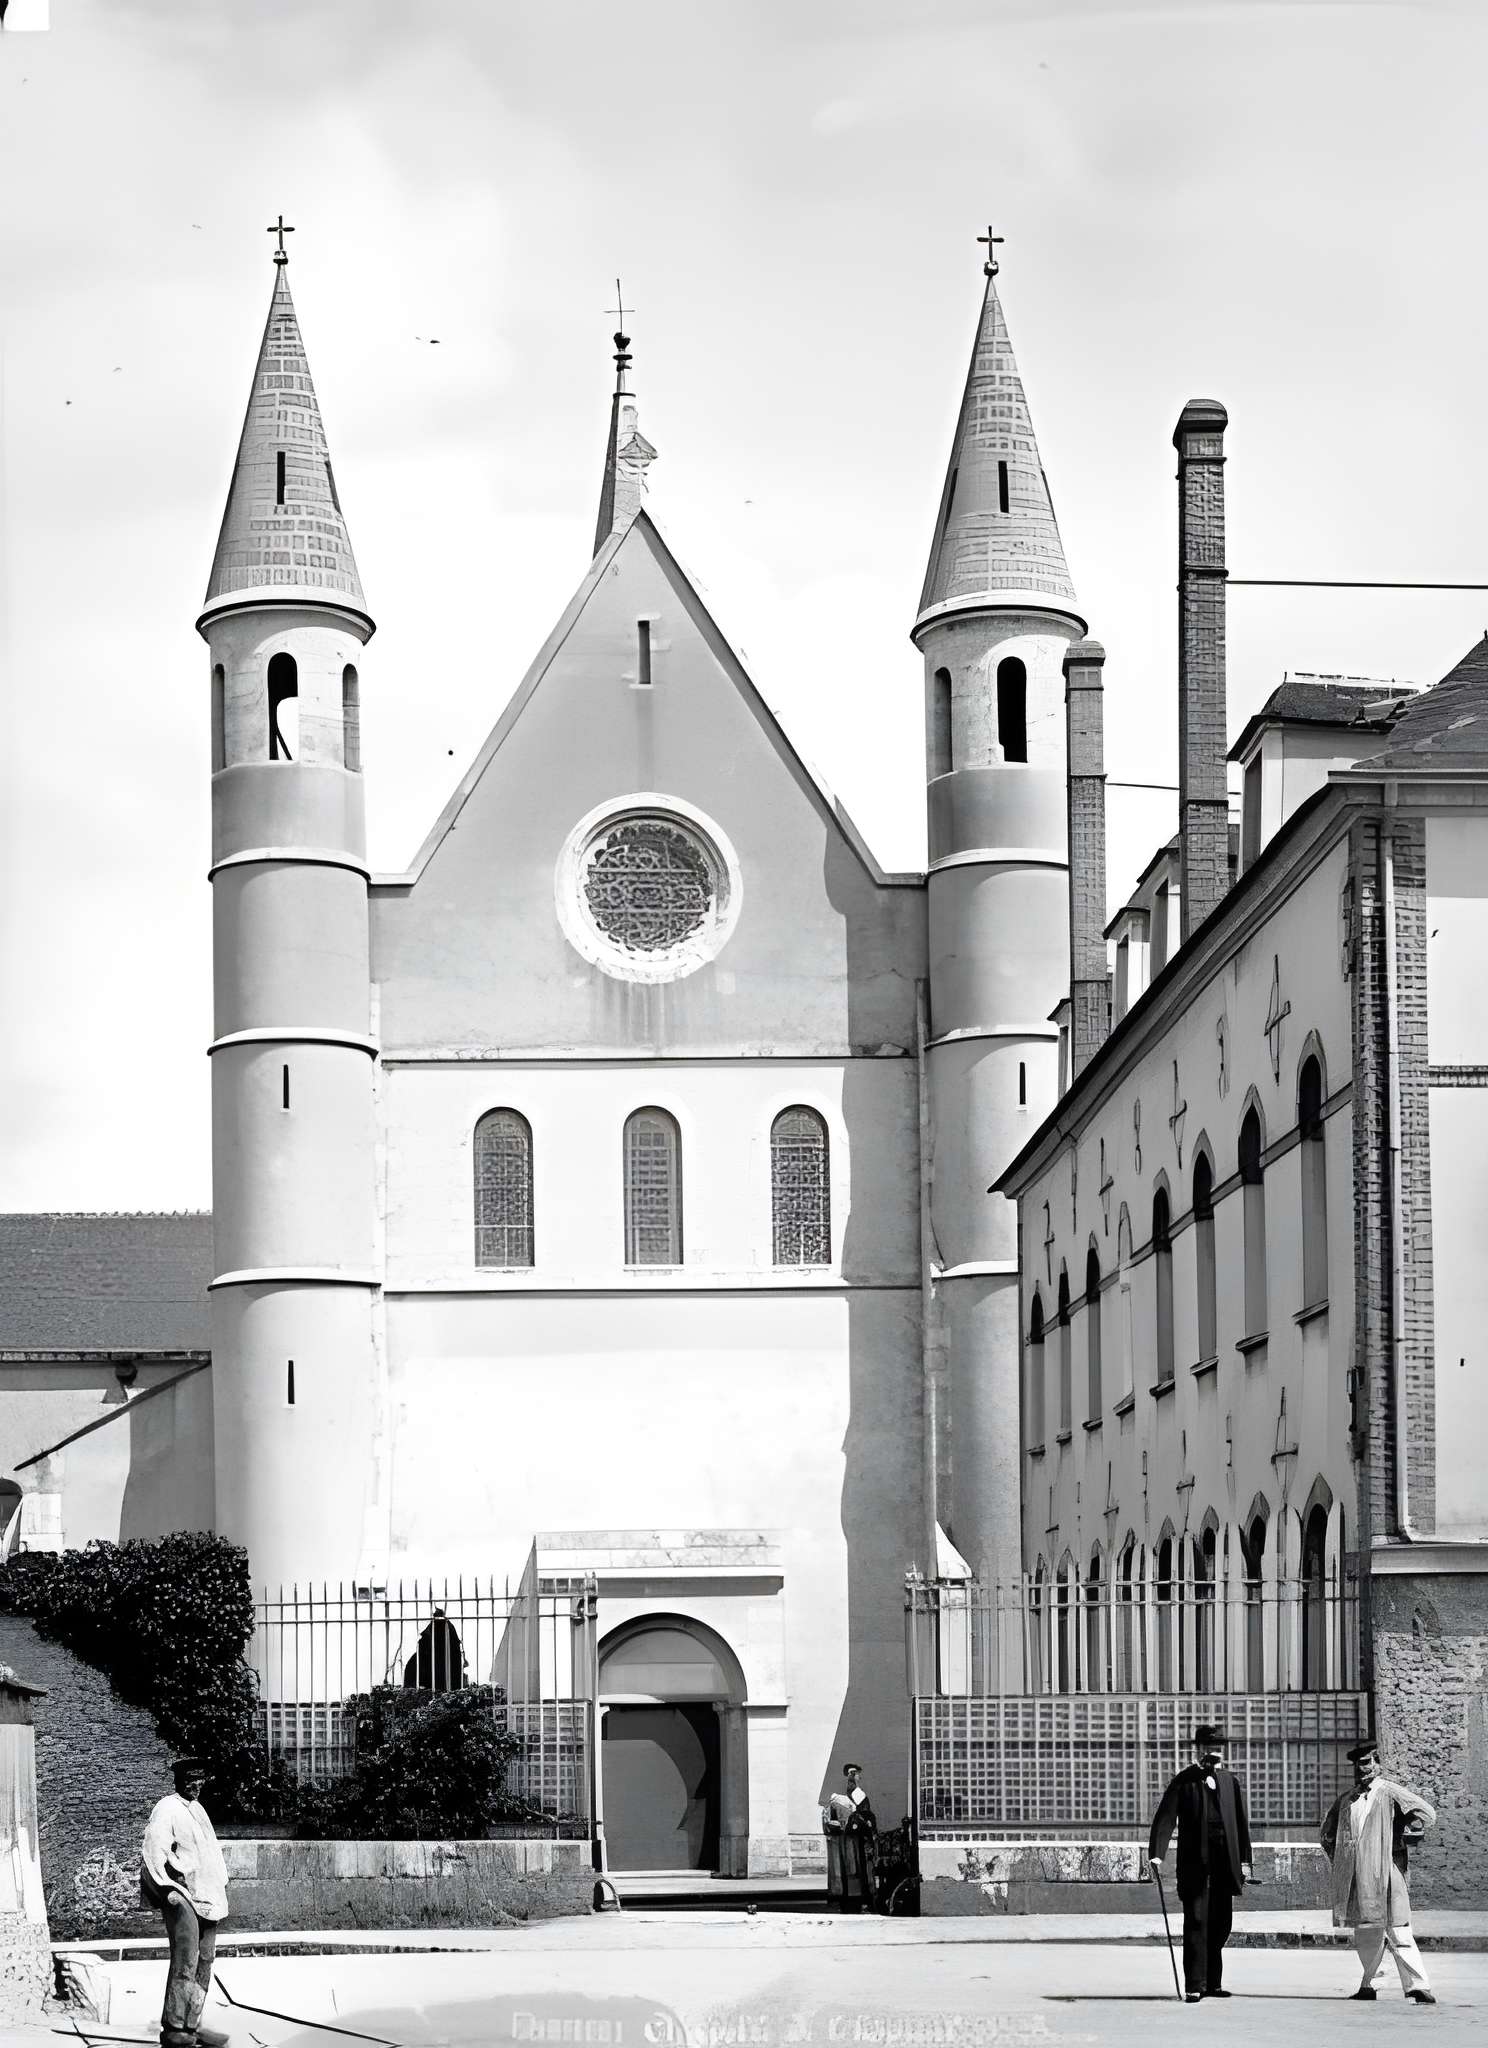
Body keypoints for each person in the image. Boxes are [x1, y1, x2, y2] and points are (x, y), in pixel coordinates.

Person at [1320, 1737, 1437, 2004]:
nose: (1361, 1769)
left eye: (1366, 1763)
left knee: (1399, 1930)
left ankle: (1417, 1986)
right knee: (1367, 1935)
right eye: (1357, 1765)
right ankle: (1368, 1985)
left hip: (1387, 1874)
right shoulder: (1347, 1800)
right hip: (1357, 1879)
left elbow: (1426, 1813)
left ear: (1377, 1764)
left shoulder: (1390, 1792)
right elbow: (1326, 1835)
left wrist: (1406, 1832)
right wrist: (1342, 1864)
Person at [1148, 1723, 1252, 2001]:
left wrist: (1245, 1860)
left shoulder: (1230, 1781)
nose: (1214, 1752)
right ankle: (1195, 1984)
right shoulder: (1184, 1781)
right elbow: (1166, 1818)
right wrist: (1157, 1853)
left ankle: (1213, 1983)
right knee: (1196, 1921)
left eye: (1218, 1747)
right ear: (1199, 1749)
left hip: (1224, 1864)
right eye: (1209, 1747)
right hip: (1196, 1864)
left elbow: (1241, 1825)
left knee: (1221, 1923)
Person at [139, 1757, 229, 2048]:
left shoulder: (198, 1810)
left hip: (208, 1895)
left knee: (205, 1960)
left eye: (201, 1777)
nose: (196, 1783)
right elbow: (155, 1851)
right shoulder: (167, 1808)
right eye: (191, 1777)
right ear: (178, 1779)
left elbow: (209, 1855)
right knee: (186, 1958)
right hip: (182, 1893)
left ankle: (193, 2023)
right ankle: (175, 2026)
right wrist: (169, 1890)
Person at [823, 1762, 878, 1913]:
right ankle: (850, 1899)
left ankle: (857, 1899)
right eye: (851, 1774)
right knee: (850, 1869)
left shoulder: (858, 1795)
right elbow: (829, 1820)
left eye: (855, 1774)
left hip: (855, 1839)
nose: (853, 1777)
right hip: (847, 1839)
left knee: (857, 1869)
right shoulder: (839, 1798)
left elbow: (867, 1815)